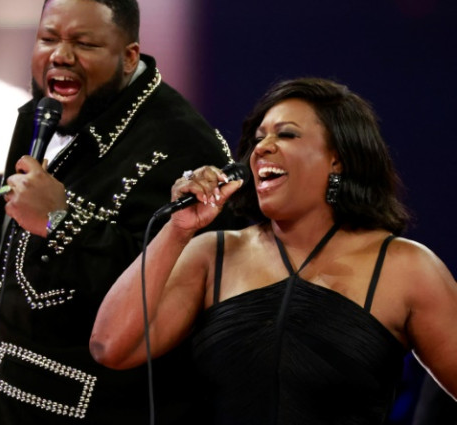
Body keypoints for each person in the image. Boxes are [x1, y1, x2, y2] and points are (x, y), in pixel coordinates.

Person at [0, 0, 245, 425]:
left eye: (84, 43)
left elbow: (161, 294)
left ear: (128, 56)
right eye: (48, 38)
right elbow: (40, 272)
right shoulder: (38, 116)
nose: (60, 54)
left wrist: (61, 218)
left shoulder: (186, 149)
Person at [91, 77, 457, 424]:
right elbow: (110, 347)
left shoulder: (406, 267)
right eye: (258, 137)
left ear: (337, 159)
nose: (262, 147)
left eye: (287, 134)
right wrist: (176, 231)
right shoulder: (212, 255)